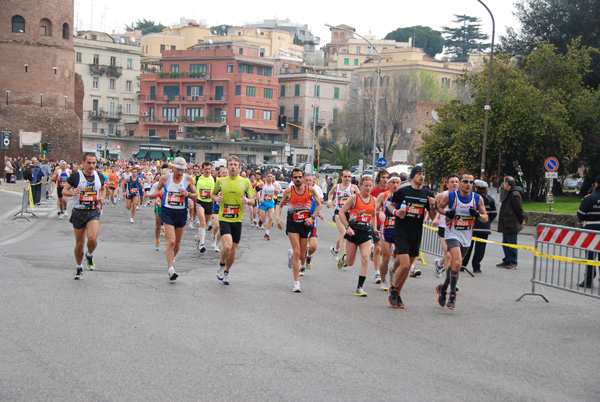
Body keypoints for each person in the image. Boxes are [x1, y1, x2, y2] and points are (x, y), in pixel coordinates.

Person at [435, 173, 488, 310]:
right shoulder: (451, 196)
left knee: (455, 265)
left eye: (471, 182)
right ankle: (452, 295)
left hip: (466, 236)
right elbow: (439, 208)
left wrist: (477, 215)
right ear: (460, 183)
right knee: (457, 262)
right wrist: (447, 213)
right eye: (465, 181)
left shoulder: (477, 199)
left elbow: (485, 218)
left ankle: (443, 287)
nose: (468, 184)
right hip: (452, 233)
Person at [387, 166, 437, 309]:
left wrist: (432, 206)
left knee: (407, 269)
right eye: (419, 174)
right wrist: (396, 212)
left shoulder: (427, 193)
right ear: (412, 177)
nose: (422, 177)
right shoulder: (403, 191)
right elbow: (390, 205)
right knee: (405, 265)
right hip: (401, 232)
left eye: (423, 174)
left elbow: (432, 216)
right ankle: (393, 290)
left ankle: (398, 293)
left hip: (416, 233)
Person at [61, 153, 106, 279]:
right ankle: (79, 267)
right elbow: (64, 190)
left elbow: (103, 189)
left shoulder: (99, 176)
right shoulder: (76, 176)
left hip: (93, 211)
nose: (92, 165)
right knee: (80, 244)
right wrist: (72, 193)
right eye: (89, 163)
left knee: (92, 238)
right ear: (83, 163)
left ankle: (90, 255)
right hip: (79, 212)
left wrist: (102, 197)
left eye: (94, 163)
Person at [276, 168, 322, 292]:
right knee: (298, 252)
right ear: (292, 179)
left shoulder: (310, 190)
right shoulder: (288, 191)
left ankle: (291, 254)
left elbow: (319, 205)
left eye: (299, 177)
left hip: (305, 224)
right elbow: (280, 206)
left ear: (303, 178)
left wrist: (312, 218)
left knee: (302, 255)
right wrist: (278, 217)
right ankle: (296, 283)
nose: (297, 179)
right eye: (295, 177)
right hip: (292, 225)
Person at [211, 156, 255, 285]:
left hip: (238, 219)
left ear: (239, 167)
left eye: (235, 165)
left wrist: (247, 201)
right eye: (231, 164)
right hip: (224, 217)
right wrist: (216, 199)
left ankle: (226, 272)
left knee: (233, 250)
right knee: (228, 246)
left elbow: (253, 200)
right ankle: (221, 264)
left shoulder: (245, 182)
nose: (233, 167)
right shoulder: (221, 181)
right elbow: (213, 194)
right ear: (227, 166)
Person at [154, 157, 198, 280]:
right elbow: (158, 188)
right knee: (171, 241)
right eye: (177, 170)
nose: (179, 173)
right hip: (168, 211)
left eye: (182, 170)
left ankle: (171, 259)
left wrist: (188, 194)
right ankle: (171, 269)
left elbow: (196, 195)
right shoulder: (165, 178)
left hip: (181, 213)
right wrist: (158, 197)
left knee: (177, 245)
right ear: (173, 168)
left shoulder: (188, 179)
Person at [338, 176, 378, 296]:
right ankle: (344, 258)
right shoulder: (354, 198)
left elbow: (373, 216)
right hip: (353, 232)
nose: (368, 188)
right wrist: (347, 227)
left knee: (366, 258)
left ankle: (360, 287)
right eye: (366, 185)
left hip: (366, 233)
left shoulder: (374, 200)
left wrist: (375, 229)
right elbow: (341, 212)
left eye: (370, 186)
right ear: (360, 186)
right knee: (350, 262)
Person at [462, 180, 497, 273]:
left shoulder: (472, 198)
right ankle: (476, 267)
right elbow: (494, 213)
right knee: (480, 248)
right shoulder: (491, 200)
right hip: (484, 227)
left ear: (476, 188)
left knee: (467, 247)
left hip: (472, 226)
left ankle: (462, 265)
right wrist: (488, 221)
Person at [374, 173, 402, 291]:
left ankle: (393, 270)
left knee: (401, 258)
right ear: (389, 183)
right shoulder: (383, 195)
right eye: (393, 182)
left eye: (397, 183)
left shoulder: (403, 196)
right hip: (386, 230)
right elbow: (374, 210)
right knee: (386, 257)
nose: (395, 185)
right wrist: (379, 212)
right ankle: (384, 280)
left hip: (400, 230)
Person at [326, 169, 359, 265]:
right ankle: (344, 257)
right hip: (339, 213)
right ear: (341, 177)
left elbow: (359, 198)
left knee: (344, 235)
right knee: (344, 234)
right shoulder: (337, 187)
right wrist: (330, 201)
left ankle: (335, 249)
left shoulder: (353, 187)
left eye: (349, 176)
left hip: (350, 214)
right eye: (345, 176)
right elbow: (330, 193)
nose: (347, 178)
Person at [431, 174, 460, 278]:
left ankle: (439, 264)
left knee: (452, 256)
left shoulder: (462, 196)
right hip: (444, 227)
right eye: (452, 182)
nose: (455, 184)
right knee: (448, 254)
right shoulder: (441, 196)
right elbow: (433, 209)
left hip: (457, 228)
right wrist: (434, 218)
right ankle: (449, 281)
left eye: (456, 181)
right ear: (447, 184)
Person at [496, 176, 525, 269]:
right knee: (505, 242)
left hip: (511, 223)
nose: (503, 184)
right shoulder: (509, 192)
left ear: (507, 183)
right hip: (506, 222)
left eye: (504, 182)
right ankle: (507, 260)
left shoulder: (515, 194)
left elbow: (518, 209)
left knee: (511, 243)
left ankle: (513, 261)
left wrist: (521, 220)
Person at [577, 176, 600, 288]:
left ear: (596, 184)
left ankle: (588, 280)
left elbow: (580, 215)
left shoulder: (589, 198)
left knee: (590, 257)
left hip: (591, 231)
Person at [299, 174, 324, 273]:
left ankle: (308, 256)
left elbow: (318, 205)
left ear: (313, 182)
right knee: (303, 247)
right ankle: (302, 267)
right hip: (301, 223)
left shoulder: (315, 192)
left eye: (310, 180)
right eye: (307, 180)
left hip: (313, 223)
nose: (309, 182)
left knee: (313, 246)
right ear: (303, 181)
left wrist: (319, 214)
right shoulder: (300, 192)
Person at [371, 169, 389, 284]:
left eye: (387, 177)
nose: (385, 180)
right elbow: (371, 210)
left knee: (384, 251)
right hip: (376, 223)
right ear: (379, 179)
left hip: (389, 225)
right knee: (378, 248)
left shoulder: (391, 191)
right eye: (383, 177)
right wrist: (379, 213)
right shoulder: (374, 191)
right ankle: (377, 272)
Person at [194, 162, 215, 253]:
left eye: (209, 169)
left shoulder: (214, 179)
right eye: (205, 169)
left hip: (209, 203)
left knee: (204, 225)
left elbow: (219, 189)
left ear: (211, 170)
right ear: (202, 170)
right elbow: (189, 185)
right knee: (202, 223)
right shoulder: (197, 178)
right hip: (199, 202)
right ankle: (202, 244)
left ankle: (198, 238)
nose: (207, 170)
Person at [258, 172, 280, 240]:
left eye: (271, 176)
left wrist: (277, 192)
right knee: (264, 220)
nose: (270, 178)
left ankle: (266, 234)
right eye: (268, 176)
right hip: (263, 203)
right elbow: (255, 191)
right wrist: (259, 198)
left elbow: (275, 193)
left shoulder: (274, 185)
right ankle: (260, 221)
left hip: (271, 202)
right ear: (266, 177)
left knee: (271, 218)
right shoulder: (262, 184)